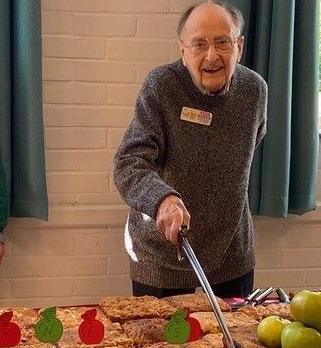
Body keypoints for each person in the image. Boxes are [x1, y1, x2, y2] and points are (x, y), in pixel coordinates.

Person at [113, 0, 267, 299]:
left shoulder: (255, 91)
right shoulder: (162, 86)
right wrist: (162, 200)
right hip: (163, 250)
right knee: (163, 340)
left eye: (223, 42)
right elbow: (129, 162)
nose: (212, 56)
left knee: (234, 337)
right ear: (183, 51)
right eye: (199, 45)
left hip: (231, 249)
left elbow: (251, 143)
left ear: (240, 46)